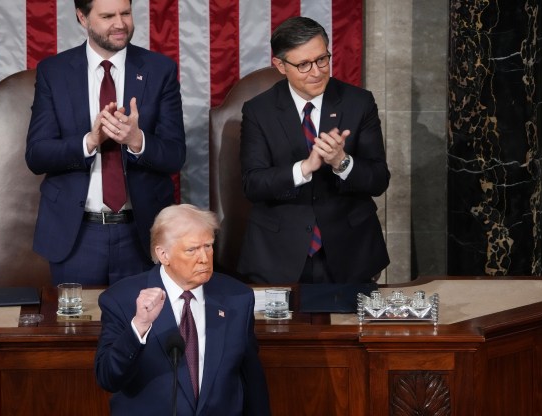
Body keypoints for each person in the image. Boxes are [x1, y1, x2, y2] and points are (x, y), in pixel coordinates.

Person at [25, 0, 186, 285]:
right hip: (77, 236)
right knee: (77, 316)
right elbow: (37, 155)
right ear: (82, 17)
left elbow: (175, 155)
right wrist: (89, 141)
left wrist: (137, 141)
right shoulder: (54, 71)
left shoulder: (159, 69)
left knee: (145, 314)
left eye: (125, 13)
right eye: (108, 16)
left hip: (142, 234)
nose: (120, 24)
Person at [238, 16, 390, 285]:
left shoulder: (359, 102)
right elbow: (253, 184)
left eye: (322, 59)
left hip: (350, 251)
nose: (317, 72)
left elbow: (379, 180)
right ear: (280, 66)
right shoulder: (258, 111)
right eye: (303, 65)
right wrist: (304, 168)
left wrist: (342, 162)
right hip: (279, 253)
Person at [95, 204, 271, 415]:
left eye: (208, 246)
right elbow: (108, 378)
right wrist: (139, 325)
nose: (204, 258)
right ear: (163, 254)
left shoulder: (238, 298)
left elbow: (252, 380)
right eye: (192, 250)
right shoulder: (121, 299)